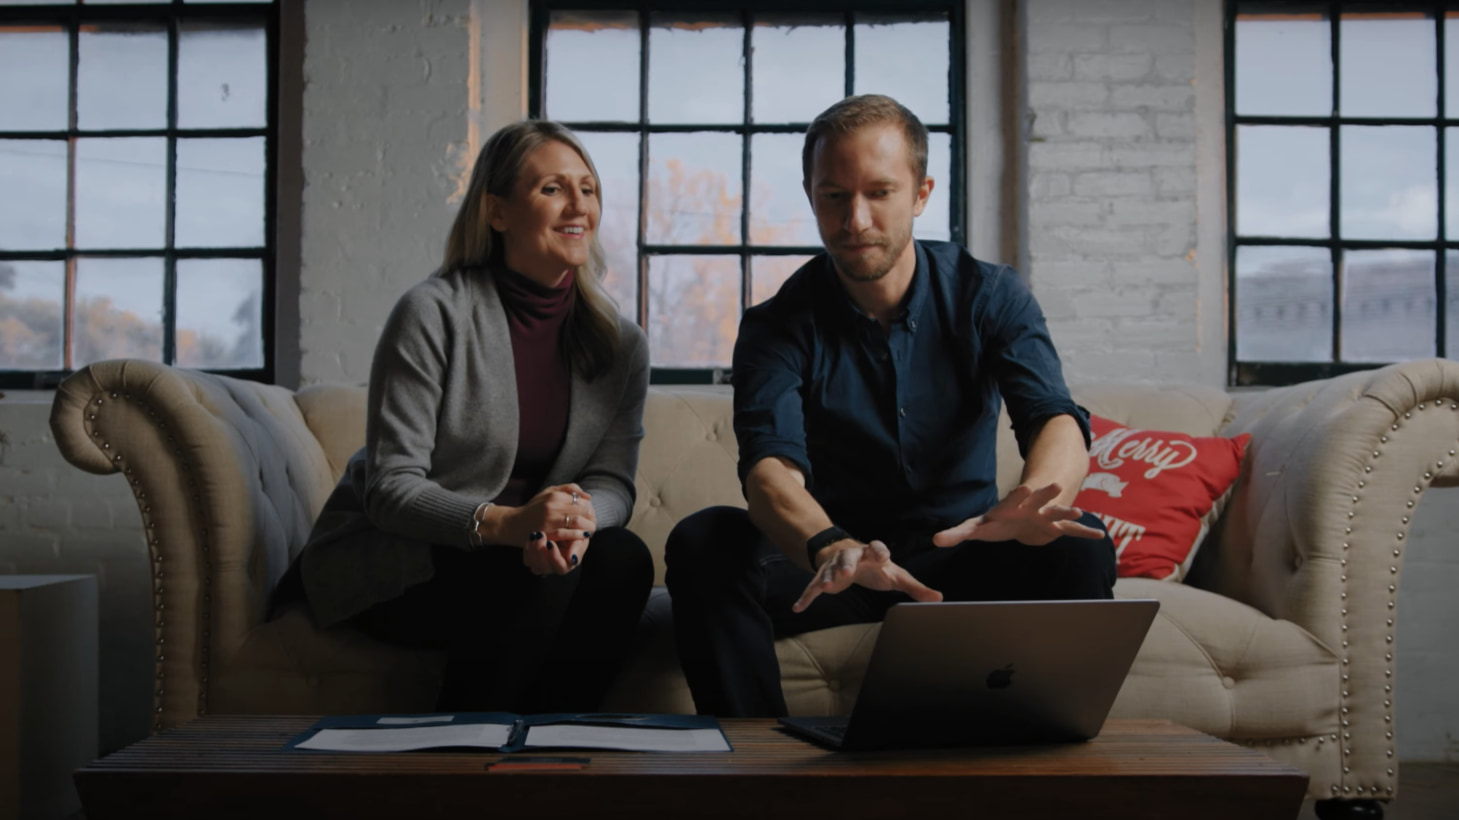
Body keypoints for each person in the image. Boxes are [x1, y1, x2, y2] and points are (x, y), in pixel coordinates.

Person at [663, 95, 1117, 718]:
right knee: (705, 540)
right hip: (835, 568)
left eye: (879, 192)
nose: (856, 219)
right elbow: (769, 471)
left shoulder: (989, 295)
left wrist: (1032, 499)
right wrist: (827, 545)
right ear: (810, 194)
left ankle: (1039, 760)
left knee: (1081, 541)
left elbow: (1054, 418)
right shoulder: (776, 325)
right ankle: (756, 764)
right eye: (833, 196)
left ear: (922, 193)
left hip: (962, 553)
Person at [278, 120, 654, 714]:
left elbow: (614, 482)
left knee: (624, 560)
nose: (579, 204)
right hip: (410, 556)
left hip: (531, 555)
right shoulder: (432, 313)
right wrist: (513, 526)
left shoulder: (619, 343)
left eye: (589, 188)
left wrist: (573, 525)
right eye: (552, 189)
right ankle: (466, 774)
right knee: (523, 576)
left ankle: (554, 753)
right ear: (497, 212)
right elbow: (391, 488)